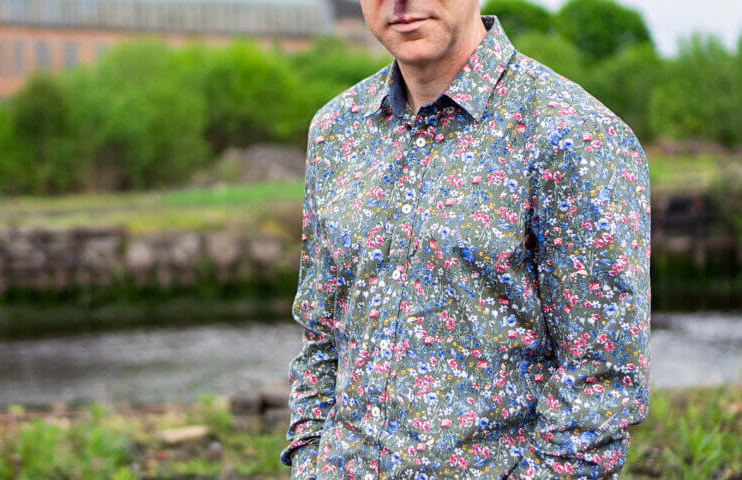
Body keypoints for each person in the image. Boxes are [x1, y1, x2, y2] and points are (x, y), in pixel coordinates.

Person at [278, 1, 652, 479]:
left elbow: (604, 378)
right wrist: (310, 460)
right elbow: (321, 331)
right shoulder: (336, 131)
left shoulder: (574, 134)